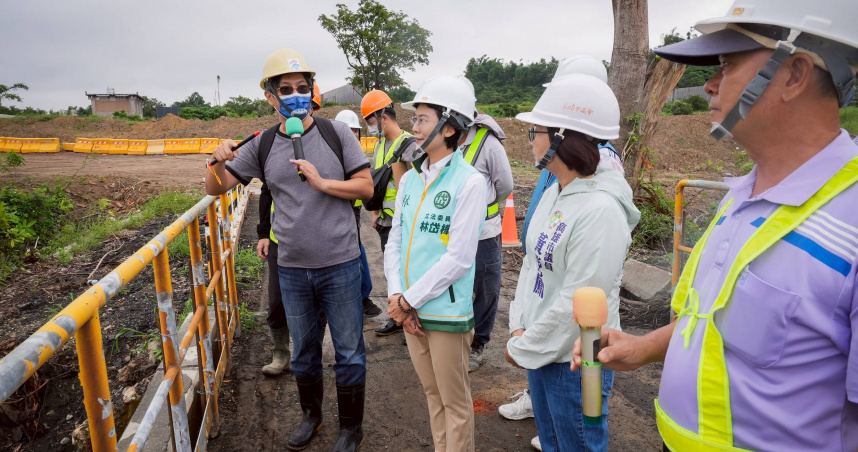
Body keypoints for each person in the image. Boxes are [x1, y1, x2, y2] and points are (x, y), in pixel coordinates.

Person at [571, 2, 858, 450]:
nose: (708, 84)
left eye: (726, 66)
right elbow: (711, 322)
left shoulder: (850, 223)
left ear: (796, 73)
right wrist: (642, 347)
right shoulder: (741, 196)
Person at [205, 48, 373, 452]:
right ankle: (310, 416)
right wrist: (215, 160)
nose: (297, 94)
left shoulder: (336, 135)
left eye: (303, 87)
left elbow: (366, 189)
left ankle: (351, 429)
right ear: (270, 97)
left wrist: (323, 183)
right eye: (286, 89)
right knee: (304, 351)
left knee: (349, 351)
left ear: (312, 90)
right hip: (293, 268)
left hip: (341, 263)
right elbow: (215, 189)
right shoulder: (261, 145)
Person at [506, 73, 640, 452]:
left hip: (582, 362)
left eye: (536, 130)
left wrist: (522, 346)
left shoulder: (600, 210)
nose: (531, 139)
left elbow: (579, 304)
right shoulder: (557, 191)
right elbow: (532, 265)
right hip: (540, 346)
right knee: (551, 442)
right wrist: (520, 327)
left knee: (581, 444)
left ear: (561, 137)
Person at [384, 75, 486, 452]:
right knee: (432, 395)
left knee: (455, 403)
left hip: (445, 311)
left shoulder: (470, 182)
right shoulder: (411, 180)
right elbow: (395, 241)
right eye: (416, 119)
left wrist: (410, 301)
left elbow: (459, 258)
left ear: (449, 127)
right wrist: (398, 298)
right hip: (408, 306)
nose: (414, 126)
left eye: (423, 118)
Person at [360, 89, 423, 337]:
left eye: (372, 120)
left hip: (406, 222)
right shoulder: (379, 146)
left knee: (410, 271)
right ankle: (398, 317)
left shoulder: (408, 143)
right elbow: (376, 181)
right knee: (392, 270)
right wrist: (375, 213)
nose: (371, 126)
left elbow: (420, 182)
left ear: (384, 115)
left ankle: (412, 318)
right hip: (387, 221)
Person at [457, 113, 514, 372]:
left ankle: (478, 343)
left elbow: (505, 186)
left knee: (485, 288)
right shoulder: (443, 140)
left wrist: (480, 207)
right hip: (452, 233)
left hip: (484, 233)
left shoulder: (488, 143)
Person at [335, 109, 382, 318]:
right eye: (349, 130)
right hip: (335, 211)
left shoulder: (356, 154)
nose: (353, 135)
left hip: (351, 210)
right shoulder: (332, 154)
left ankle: (362, 297)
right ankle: (356, 299)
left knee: (356, 251)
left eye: (355, 131)